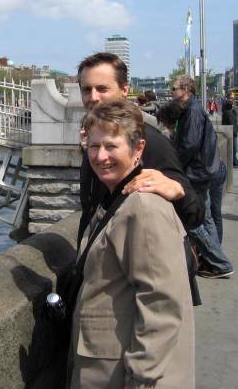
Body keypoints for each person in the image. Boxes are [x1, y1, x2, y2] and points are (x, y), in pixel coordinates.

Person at [69, 99, 194, 388]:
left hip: (122, 374)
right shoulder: (117, 196)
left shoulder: (143, 208)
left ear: (138, 150)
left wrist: (141, 378)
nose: (100, 157)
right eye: (93, 147)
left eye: (111, 146)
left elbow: (161, 302)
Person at [77, 53, 204, 246]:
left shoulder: (149, 140)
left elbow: (195, 212)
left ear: (124, 90)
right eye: (87, 89)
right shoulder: (93, 138)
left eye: (102, 89)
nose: (93, 97)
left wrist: (178, 191)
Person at [171, 75, 233, 278]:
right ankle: (215, 260)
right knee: (205, 218)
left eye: (174, 89)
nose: (171, 92)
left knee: (193, 219)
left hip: (198, 173)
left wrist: (173, 163)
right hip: (204, 170)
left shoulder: (193, 112)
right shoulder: (191, 110)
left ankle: (220, 262)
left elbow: (189, 145)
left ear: (186, 91)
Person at [221, 99, 238, 167]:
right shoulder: (231, 113)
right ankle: (234, 161)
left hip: (231, 133)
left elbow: (224, 124)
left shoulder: (227, 113)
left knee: (233, 148)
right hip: (233, 133)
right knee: (233, 148)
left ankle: (234, 161)